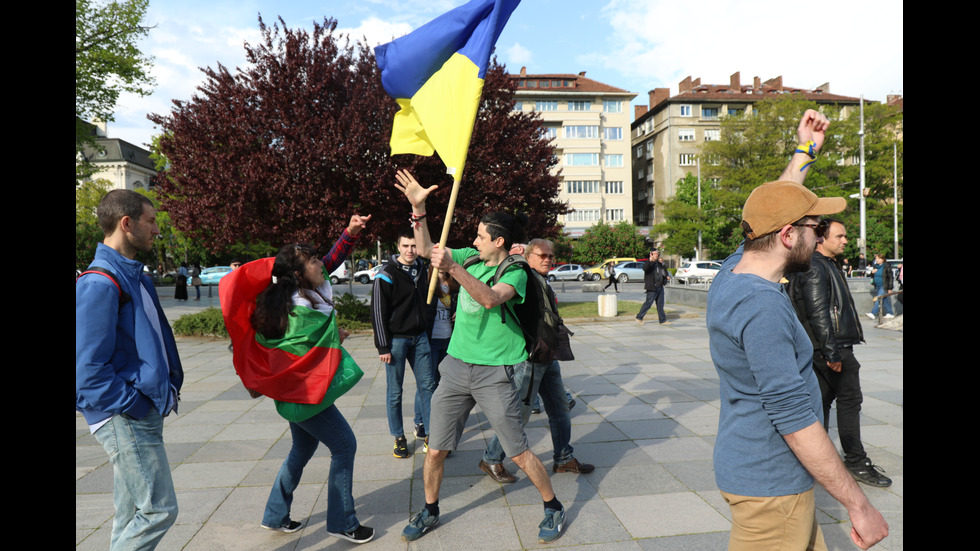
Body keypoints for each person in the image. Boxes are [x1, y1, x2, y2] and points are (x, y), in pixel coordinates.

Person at [706, 110, 888, 550]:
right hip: (772, 490)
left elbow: (772, 206)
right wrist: (858, 504)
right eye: (815, 227)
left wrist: (805, 150)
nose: (820, 234)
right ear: (789, 236)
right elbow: (793, 418)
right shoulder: (761, 307)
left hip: (760, 476)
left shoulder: (734, 271)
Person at [394, 169, 566, 544]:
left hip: (495, 372)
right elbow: (427, 250)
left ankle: (553, 507)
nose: (473, 240)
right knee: (435, 449)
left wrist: (452, 268)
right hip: (456, 367)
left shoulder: (516, 270)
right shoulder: (472, 256)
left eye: (480, 236)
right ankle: (431, 509)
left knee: (517, 452)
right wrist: (418, 211)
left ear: (499, 241)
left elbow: (489, 299)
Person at [236, 215, 374, 543]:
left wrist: (350, 233)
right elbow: (302, 351)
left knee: (303, 446)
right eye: (313, 261)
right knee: (345, 446)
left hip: (296, 395)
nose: (321, 264)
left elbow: (331, 259)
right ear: (299, 274)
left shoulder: (303, 290)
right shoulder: (298, 309)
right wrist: (333, 337)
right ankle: (344, 522)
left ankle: (275, 514)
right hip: (305, 395)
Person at [76, 189, 184, 551]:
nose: (157, 231)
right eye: (151, 222)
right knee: (158, 510)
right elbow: (86, 371)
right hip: (126, 414)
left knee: (130, 513)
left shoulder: (135, 275)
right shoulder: (100, 282)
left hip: (140, 408)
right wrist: (135, 404)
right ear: (127, 223)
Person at [479, 237, 594, 484]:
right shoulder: (524, 277)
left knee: (560, 407)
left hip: (547, 354)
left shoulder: (541, 279)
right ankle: (491, 457)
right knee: (519, 414)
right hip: (531, 356)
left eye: (551, 256)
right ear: (529, 256)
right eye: (543, 255)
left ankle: (563, 457)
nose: (549, 260)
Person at [787, 219, 892, 488]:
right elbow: (818, 312)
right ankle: (856, 461)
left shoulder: (822, 265)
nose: (845, 240)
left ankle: (812, 461)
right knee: (849, 402)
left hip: (823, 348)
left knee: (819, 404)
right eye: (840, 236)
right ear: (821, 238)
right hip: (832, 349)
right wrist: (832, 352)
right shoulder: (816, 266)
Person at [370, 230, 437, 458]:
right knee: (395, 391)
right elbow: (378, 311)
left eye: (413, 246)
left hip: (420, 338)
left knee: (428, 386)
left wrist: (427, 329)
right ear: (397, 247)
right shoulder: (386, 273)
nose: (410, 250)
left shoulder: (424, 269)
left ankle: (430, 435)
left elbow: (431, 300)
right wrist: (383, 346)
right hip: (396, 340)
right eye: (405, 246)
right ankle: (399, 437)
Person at [635, 249, 671, 325]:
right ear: (651, 254)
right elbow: (645, 268)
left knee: (660, 304)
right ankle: (639, 317)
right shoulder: (649, 263)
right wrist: (650, 261)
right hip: (652, 287)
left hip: (660, 286)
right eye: (655, 254)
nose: (657, 255)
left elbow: (663, 272)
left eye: (658, 254)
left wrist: (665, 278)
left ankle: (662, 320)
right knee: (648, 303)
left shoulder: (659, 263)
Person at [867, 254, 894, 319]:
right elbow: (871, 276)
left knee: (879, 298)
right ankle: (890, 313)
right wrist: (871, 272)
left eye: (879, 259)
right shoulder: (875, 266)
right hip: (877, 285)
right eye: (876, 259)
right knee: (883, 299)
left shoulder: (886, 266)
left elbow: (890, 277)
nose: (877, 260)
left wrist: (890, 288)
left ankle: (873, 313)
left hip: (884, 285)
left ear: (883, 259)